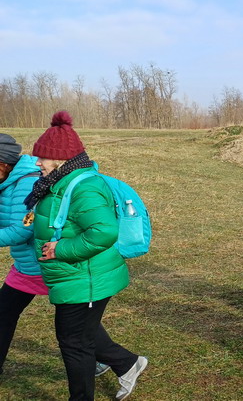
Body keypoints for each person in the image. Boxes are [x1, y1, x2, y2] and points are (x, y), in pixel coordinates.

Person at [27, 111, 148, 400]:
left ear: (60, 159)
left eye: (42, 157)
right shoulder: (57, 183)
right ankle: (129, 364)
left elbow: (104, 232)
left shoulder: (84, 187)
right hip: (76, 275)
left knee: (73, 343)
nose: (38, 162)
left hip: (86, 277)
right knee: (82, 333)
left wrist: (62, 249)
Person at [0, 134, 41, 377]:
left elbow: (24, 229)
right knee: (3, 312)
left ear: (3, 164)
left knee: (73, 330)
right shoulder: (7, 182)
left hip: (43, 263)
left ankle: (124, 362)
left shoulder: (28, 181)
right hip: (26, 264)